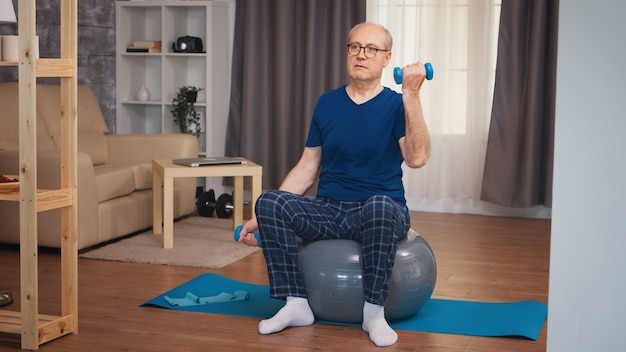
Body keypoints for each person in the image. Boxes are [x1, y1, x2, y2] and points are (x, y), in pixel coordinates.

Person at [238, 22, 431, 347]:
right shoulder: (327, 103)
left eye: (371, 49)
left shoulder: (396, 105)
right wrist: (261, 217)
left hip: (382, 211)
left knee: (379, 204)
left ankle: (373, 313)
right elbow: (307, 166)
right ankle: (295, 304)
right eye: (354, 46)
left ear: (387, 59)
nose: (360, 54)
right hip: (330, 209)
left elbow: (417, 158)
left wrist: (411, 94)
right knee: (269, 200)